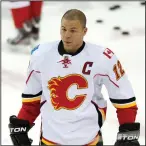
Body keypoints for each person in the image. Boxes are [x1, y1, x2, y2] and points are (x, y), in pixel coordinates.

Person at [8, 9, 140, 146]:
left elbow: (124, 98)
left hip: (89, 140)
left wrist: (128, 129)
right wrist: (21, 126)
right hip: (50, 140)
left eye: (73, 30)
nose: (66, 35)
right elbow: (31, 101)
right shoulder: (41, 55)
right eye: (63, 29)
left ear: (84, 31)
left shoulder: (103, 58)